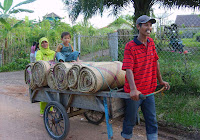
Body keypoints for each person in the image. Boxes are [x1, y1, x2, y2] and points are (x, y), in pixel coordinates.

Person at [121, 15, 170, 140]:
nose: (149, 28)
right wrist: (133, 89)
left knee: (151, 119)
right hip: (135, 92)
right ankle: (127, 137)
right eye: (145, 25)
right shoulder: (130, 46)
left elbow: (155, 62)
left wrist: (161, 81)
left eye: (150, 25)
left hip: (149, 90)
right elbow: (128, 68)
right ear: (138, 27)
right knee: (130, 119)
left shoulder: (151, 42)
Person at [36, 37, 55, 117]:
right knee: (44, 92)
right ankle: (42, 110)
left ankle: (50, 109)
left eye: (46, 42)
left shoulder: (53, 52)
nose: (44, 44)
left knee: (52, 92)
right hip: (43, 74)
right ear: (40, 44)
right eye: (42, 43)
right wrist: (47, 63)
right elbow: (38, 61)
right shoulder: (39, 52)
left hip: (52, 74)